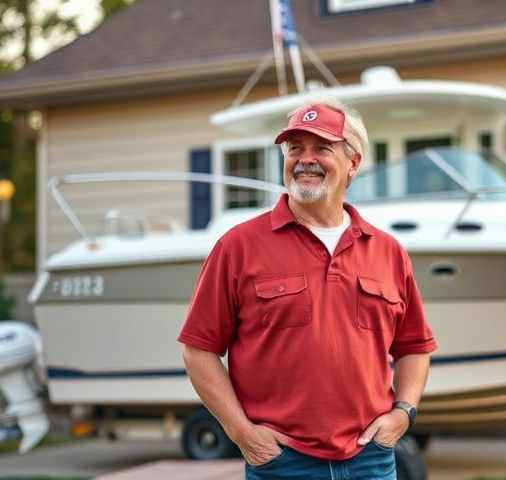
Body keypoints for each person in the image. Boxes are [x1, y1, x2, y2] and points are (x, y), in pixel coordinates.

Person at [178, 98, 438, 480]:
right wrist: (242, 433)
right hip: (282, 463)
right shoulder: (238, 246)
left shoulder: (388, 251)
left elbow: (414, 346)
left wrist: (404, 412)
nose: (305, 159)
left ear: (353, 162)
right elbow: (198, 350)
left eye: (321, 147)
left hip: (371, 460)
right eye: (295, 147)